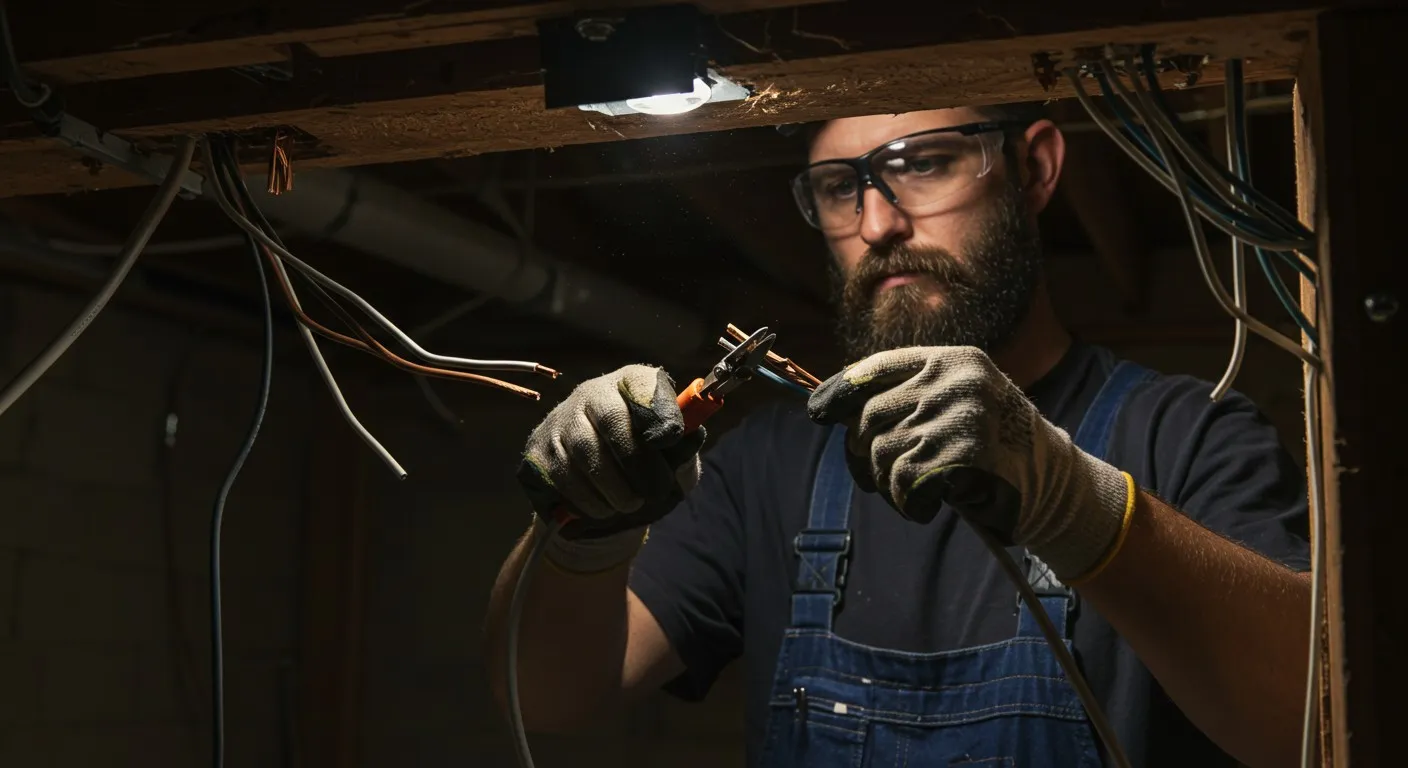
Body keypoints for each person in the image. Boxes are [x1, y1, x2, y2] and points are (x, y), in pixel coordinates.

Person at [485, 104, 1312, 768]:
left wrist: (1075, 501)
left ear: (1035, 168)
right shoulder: (763, 467)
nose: (878, 222)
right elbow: (548, 700)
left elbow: (1312, 725)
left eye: (923, 163)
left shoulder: (1189, 438)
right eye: (841, 187)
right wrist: (578, 535)